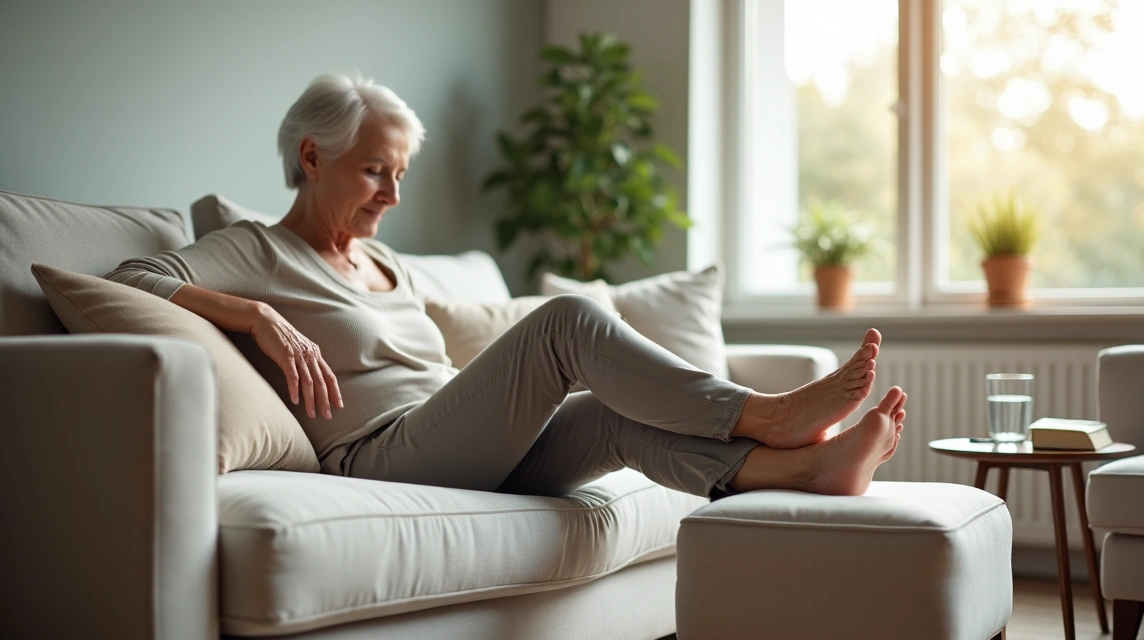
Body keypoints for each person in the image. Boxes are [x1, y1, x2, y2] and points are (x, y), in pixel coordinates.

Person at [107, 74, 907, 500]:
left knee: (613, 419)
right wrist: (254, 314)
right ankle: (766, 414)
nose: (392, 195)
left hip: (454, 440)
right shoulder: (258, 248)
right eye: (375, 171)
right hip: (379, 456)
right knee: (567, 321)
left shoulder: (390, 266)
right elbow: (130, 276)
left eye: (400, 174)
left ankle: (810, 471)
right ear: (312, 158)